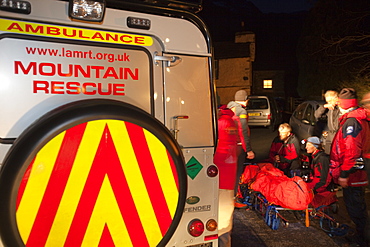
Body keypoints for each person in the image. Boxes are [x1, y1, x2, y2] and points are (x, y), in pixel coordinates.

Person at [330, 88, 369, 246]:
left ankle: (362, 239)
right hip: (358, 171)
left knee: (355, 208)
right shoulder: (359, 118)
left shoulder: (352, 122)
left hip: (353, 174)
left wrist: (344, 174)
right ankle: (361, 234)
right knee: (358, 205)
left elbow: (351, 150)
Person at [213, 105, 238, 247]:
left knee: (221, 221)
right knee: (224, 219)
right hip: (228, 179)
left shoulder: (220, 123)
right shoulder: (231, 122)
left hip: (220, 178)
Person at [227, 90, 255, 194]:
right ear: (245, 100)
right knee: (237, 172)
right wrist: (248, 150)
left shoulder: (228, 108)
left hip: (226, 145)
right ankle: (234, 196)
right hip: (238, 147)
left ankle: (226, 194)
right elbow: (243, 131)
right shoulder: (241, 112)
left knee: (227, 172)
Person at [304, 136, 336, 208]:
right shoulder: (315, 157)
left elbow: (325, 180)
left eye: (309, 145)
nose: (306, 147)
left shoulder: (322, 158)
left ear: (315, 146)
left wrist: (314, 190)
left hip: (322, 190)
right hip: (316, 185)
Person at [314, 90, 340, 154]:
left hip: (339, 137)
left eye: (330, 101)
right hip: (330, 137)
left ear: (336, 99)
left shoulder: (341, 109)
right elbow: (317, 115)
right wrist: (323, 107)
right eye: (328, 101)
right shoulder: (329, 109)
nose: (329, 103)